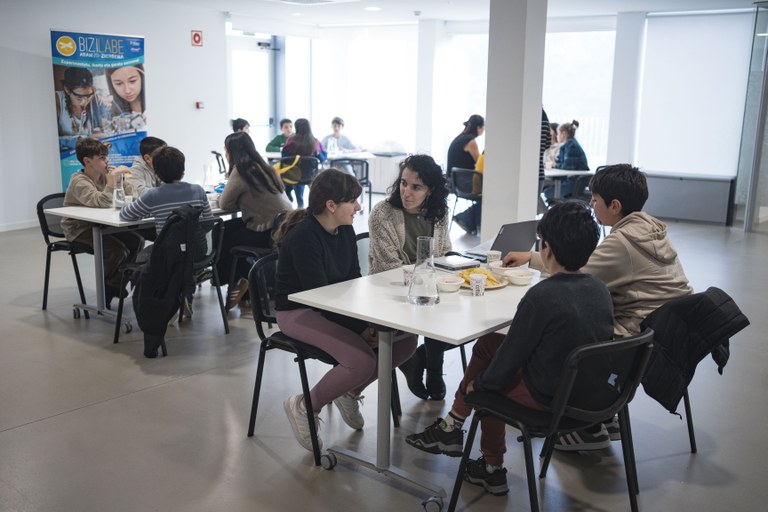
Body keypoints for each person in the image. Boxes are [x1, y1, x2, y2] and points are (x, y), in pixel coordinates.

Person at [405, 201, 613, 496]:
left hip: (551, 399)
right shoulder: (599, 289)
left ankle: (490, 467)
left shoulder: (542, 296)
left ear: (546, 248)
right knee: (492, 342)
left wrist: (478, 385)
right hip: (591, 395)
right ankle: (453, 426)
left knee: (489, 386)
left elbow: (510, 360)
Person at [504, 163, 692, 450]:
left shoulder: (623, 243)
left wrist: (532, 258)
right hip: (658, 337)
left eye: (594, 199)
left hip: (629, 344)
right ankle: (601, 417)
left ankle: (583, 422)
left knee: (565, 324)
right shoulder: (650, 229)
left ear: (615, 206)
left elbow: (573, 270)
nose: (591, 205)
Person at [274, 169, 417, 452]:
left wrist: (368, 321)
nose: (358, 207)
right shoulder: (304, 237)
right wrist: (360, 328)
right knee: (361, 361)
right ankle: (305, 405)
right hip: (298, 310)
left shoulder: (345, 230)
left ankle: (349, 392)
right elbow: (319, 297)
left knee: (405, 341)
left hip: (332, 306)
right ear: (331, 205)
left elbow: (352, 281)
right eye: (352, 201)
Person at [368, 154, 453, 400]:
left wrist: (450, 266)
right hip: (389, 291)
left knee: (463, 319)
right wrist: (429, 277)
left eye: (416, 187)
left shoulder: (438, 213)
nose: (406, 192)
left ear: (431, 190)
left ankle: (425, 362)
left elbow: (445, 252)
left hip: (427, 287)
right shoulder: (383, 213)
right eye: (404, 183)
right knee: (439, 314)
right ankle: (426, 366)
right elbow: (387, 268)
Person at [61, 138, 143, 306]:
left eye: (106, 157)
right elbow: (101, 202)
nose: (107, 161)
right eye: (102, 158)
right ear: (87, 161)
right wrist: (112, 181)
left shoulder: (105, 177)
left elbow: (132, 197)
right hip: (79, 229)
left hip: (101, 224)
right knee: (117, 250)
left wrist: (121, 180)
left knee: (137, 241)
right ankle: (109, 290)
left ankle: (114, 284)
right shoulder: (79, 181)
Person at [218, 131, 293, 312]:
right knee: (227, 228)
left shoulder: (241, 171)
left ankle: (235, 281)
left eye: (226, 150)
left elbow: (225, 204)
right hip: (283, 227)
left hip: (266, 231)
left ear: (231, 152)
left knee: (221, 234)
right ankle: (244, 288)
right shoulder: (265, 167)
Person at [446, 114, 485, 235]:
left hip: (453, 181)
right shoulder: (471, 141)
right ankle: (465, 218)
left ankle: (467, 220)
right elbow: (479, 162)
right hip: (463, 183)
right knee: (490, 195)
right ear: (478, 128)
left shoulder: (460, 138)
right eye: (483, 127)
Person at [281, 118, 327, 208]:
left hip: (295, 176)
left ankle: (300, 206)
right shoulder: (315, 142)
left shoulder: (290, 141)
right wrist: (317, 152)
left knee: (298, 178)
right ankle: (313, 207)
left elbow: (284, 158)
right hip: (312, 175)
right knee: (306, 176)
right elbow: (323, 159)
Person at [543, 120, 589, 202]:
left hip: (575, 183)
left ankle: (555, 208)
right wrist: (555, 164)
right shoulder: (567, 145)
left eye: (558, 133)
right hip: (571, 180)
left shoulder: (571, 145)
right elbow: (561, 162)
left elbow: (567, 166)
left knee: (547, 192)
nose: (557, 136)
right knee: (545, 189)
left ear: (563, 133)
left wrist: (555, 165)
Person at [55, 67, 105, 137]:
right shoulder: (56, 102)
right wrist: (78, 140)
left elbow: (102, 128)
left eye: (88, 96)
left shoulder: (95, 100)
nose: (84, 102)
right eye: (79, 97)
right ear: (67, 90)